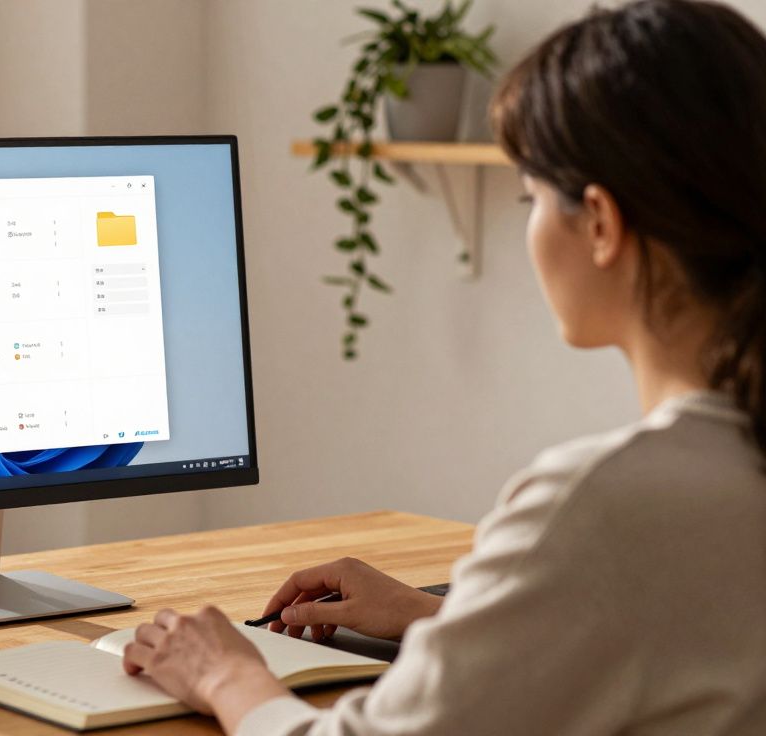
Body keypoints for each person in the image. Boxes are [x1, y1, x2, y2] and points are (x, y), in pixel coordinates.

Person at [121, 2, 766, 734]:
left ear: (599, 223)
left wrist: (224, 672)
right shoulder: (725, 470)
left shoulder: (602, 503)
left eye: (530, 198)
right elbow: (674, 627)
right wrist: (448, 615)